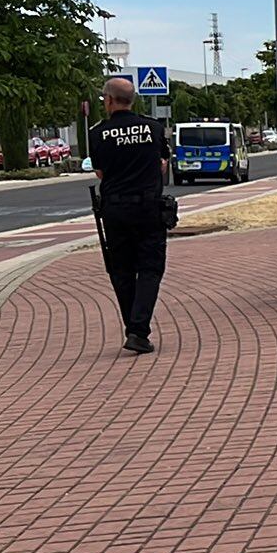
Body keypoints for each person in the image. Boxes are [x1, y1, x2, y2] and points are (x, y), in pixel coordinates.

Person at [88, 76, 171, 353]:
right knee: (150, 268)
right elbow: (162, 163)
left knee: (121, 270)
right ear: (132, 99)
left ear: (109, 100)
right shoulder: (153, 128)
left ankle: (134, 328)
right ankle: (138, 329)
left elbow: (99, 171)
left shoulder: (97, 133)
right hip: (149, 208)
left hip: (115, 210)